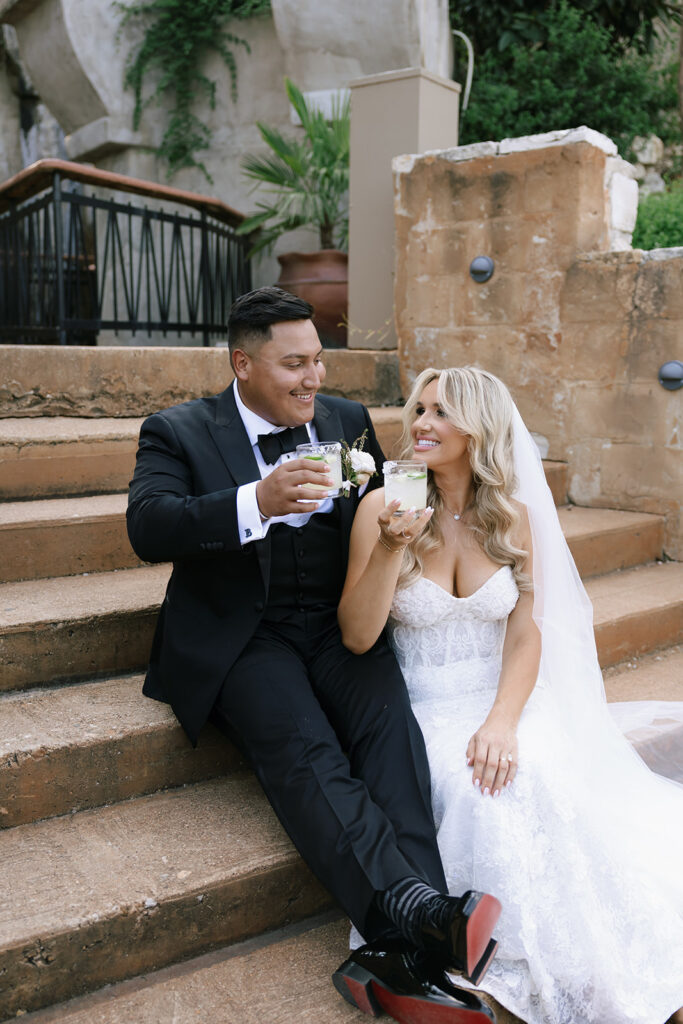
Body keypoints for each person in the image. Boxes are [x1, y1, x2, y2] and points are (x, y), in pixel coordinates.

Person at [127, 289, 504, 1024]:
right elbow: (149, 526)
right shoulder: (177, 431)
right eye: (293, 363)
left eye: (319, 359)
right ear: (242, 364)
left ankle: (405, 944)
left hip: (337, 625)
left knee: (390, 737)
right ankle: (418, 925)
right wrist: (255, 501)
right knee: (307, 752)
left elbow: (379, 505)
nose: (314, 378)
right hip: (243, 635)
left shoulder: (343, 421)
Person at [338, 365, 683, 1024]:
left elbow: (527, 638)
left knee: (540, 772)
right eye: (418, 411)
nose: (420, 425)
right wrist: (388, 547)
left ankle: (606, 975)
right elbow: (356, 637)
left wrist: (502, 721)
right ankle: (495, 969)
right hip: (421, 708)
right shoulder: (384, 504)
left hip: (502, 698)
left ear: (479, 427)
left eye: (440, 412)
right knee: (480, 791)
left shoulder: (515, 518)